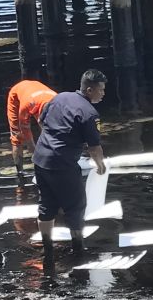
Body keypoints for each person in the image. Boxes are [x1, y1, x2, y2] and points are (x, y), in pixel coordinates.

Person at [32, 69, 107, 273]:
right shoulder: (89, 113)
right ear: (90, 89)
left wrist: (51, 140)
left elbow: (41, 120)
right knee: (75, 205)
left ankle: (48, 249)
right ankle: (78, 249)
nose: (103, 94)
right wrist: (100, 165)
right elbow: (94, 146)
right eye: (101, 90)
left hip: (40, 159)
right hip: (62, 164)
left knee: (46, 204)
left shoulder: (60, 97)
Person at [7, 78, 57, 183]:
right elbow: (29, 142)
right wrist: (37, 154)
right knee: (17, 137)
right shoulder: (26, 106)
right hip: (18, 95)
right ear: (39, 118)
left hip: (38, 93)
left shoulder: (60, 103)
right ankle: (20, 173)